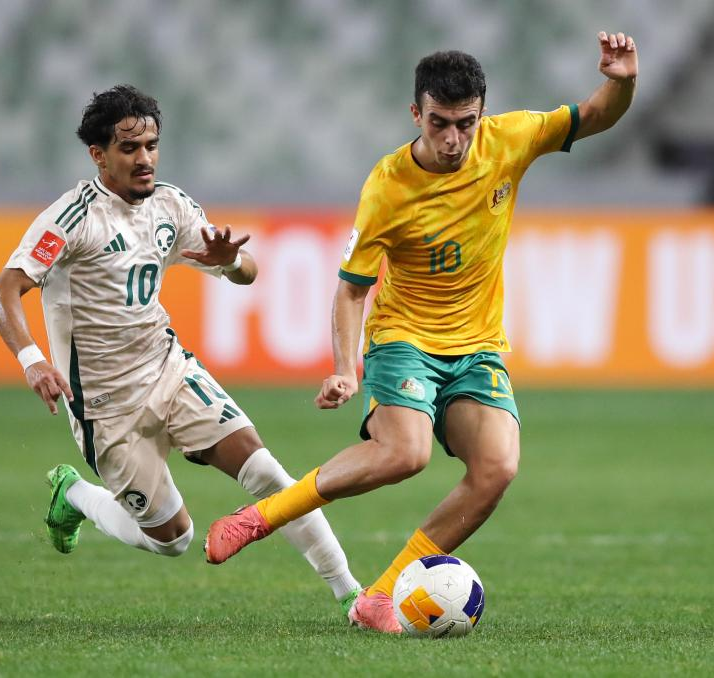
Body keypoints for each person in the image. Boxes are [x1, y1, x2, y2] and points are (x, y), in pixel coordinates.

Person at [204, 32, 638, 633]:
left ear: (482, 112)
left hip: (477, 345)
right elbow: (353, 288)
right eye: (439, 123)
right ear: (416, 113)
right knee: (405, 453)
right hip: (405, 336)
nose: (453, 138)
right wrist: (343, 366)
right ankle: (262, 516)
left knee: (497, 469)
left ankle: (378, 597)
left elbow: (595, 115)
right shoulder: (388, 187)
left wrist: (622, 81)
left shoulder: (510, 139)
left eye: (465, 123)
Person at [0, 84, 361, 615]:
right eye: (129, 149)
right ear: (98, 154)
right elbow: (2, 291)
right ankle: (74, 495)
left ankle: (352, 594)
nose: (145, 160)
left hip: (168, 370)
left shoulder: (173, 205)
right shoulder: (70, 221)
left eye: (152, 146)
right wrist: (33, 361)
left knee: (267, 473)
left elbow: (247, 274)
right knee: (172, 539)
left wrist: (231, 261)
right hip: (104, 405)